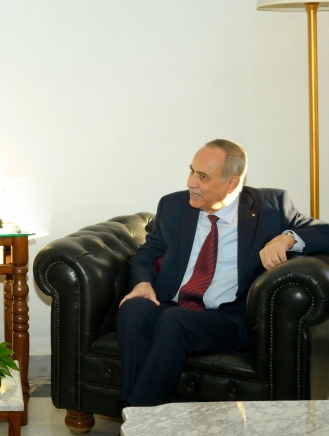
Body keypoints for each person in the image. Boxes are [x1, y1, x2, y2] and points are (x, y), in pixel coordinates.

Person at [117, 138, 329, 407]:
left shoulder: (271, 207)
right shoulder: (173, 206)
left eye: (203, 176)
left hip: (228, 319)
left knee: (174, 321)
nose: (191, 182)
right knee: (134, 309)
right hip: (173, 304)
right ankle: (141, 411)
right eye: (191, 171)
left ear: (232, 183)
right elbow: (148, 252)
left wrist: (287, 238)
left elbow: (324, 232)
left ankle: (135, 412)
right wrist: (143, 284)